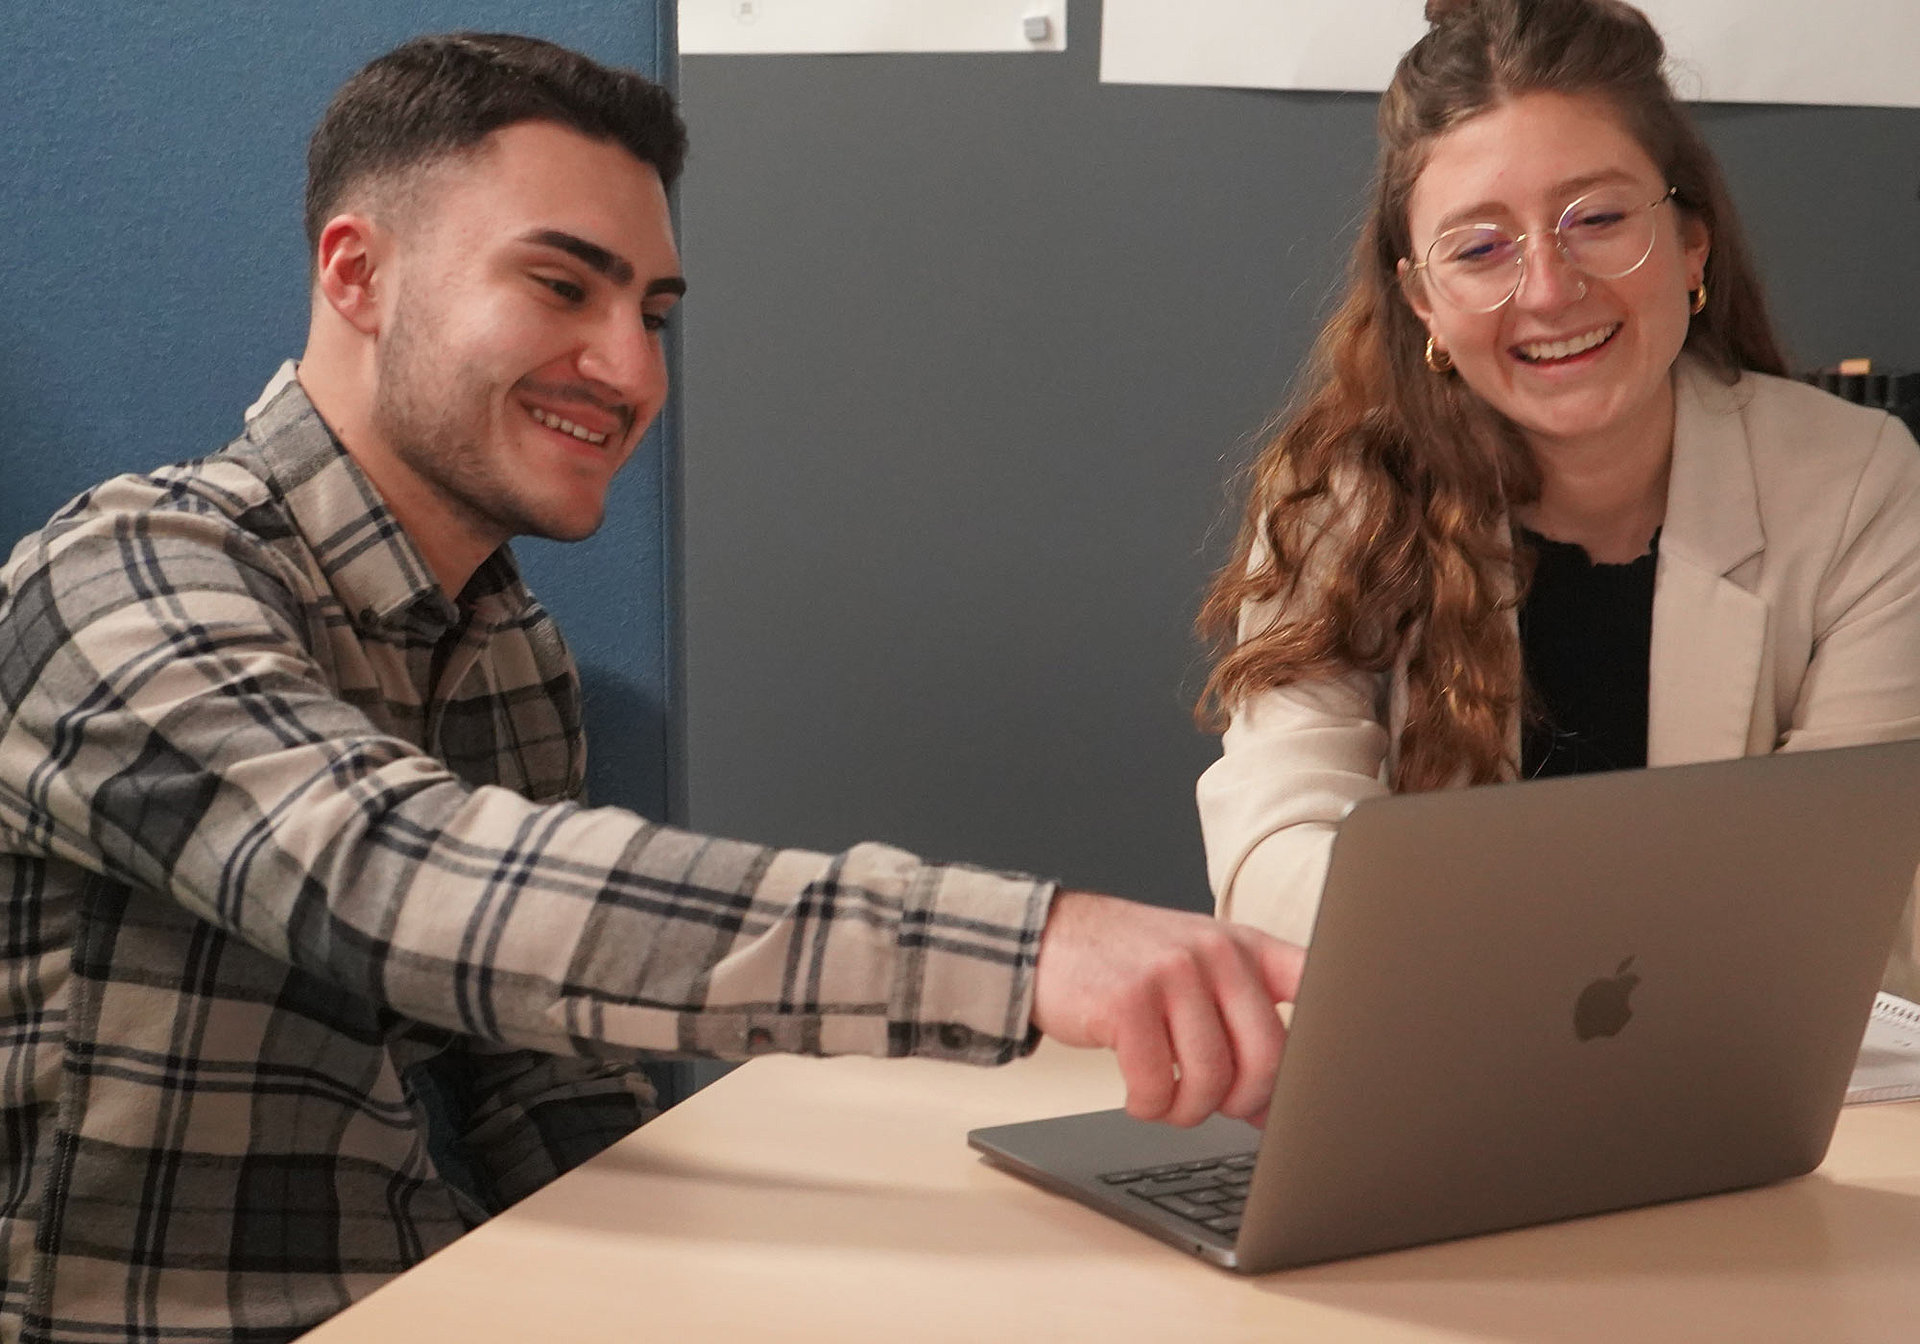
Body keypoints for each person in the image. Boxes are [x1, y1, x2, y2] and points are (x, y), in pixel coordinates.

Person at [0, 34, 1303, 1344]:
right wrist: (1029, 948)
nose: (632, 372)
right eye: (561, 286)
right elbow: (399, 882)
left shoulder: (510, 648)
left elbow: (549, 1098)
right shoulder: (121, 576)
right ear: (357, 274)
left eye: (655, 315)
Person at [1195, 0, 1920, 991]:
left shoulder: (1859, 482)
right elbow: (1271, 856)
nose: (1547, 289)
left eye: (1600, 220)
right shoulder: (1341, 496)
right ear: (1423, 301)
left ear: (1692, 242)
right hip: (1443, 1053)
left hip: (1744, 1064)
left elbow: (1862, 887)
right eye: (1480, 247)